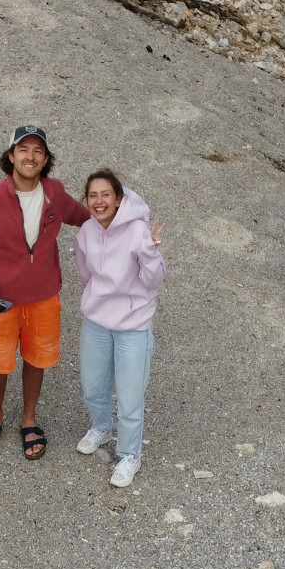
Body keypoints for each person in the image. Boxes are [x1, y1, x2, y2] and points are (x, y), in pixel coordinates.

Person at [0, 125, 90, 459]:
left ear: (46, 160)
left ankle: (28, 418)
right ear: (11, 156)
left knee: (37, 359)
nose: (30, 157)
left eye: (38, 152)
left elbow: (86, 218)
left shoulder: (56, 194)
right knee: (0, 362)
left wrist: (125, 221)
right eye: (23, 150)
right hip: (1, 300)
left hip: (44, 296)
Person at [74, 169, 165, 488]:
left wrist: (151, 251)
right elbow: (86, 273)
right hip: (97, 322)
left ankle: (130, 455)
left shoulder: (139, 231)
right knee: (92, 385)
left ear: (119, 199)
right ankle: (102, 427)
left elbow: (153, 281)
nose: (99, 201)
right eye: (93, 196)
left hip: (133, 328)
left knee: (129, 397)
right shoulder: (85, 231)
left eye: (105, 195)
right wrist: (96, 300)